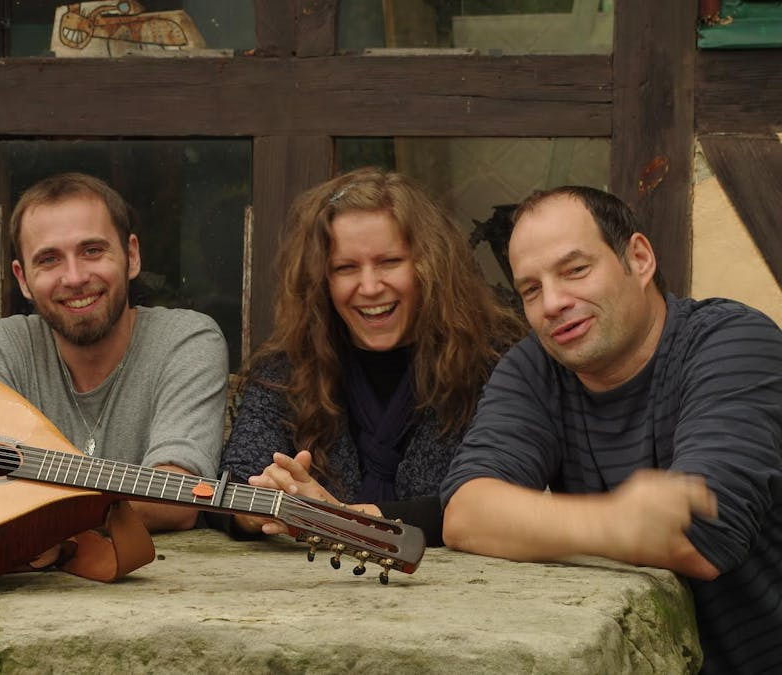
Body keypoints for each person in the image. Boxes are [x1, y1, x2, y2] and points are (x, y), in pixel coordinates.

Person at [440, 186, 781, 673]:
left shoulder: (734, 342)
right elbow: (466, 514)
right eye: (531, 290)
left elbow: (705, 539)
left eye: (575, 270)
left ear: (638, 259)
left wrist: (540, 523)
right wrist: (617, 520)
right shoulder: (533, 368)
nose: (553, 303)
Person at [220, 168, 525, 545]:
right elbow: (234, 482)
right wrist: (264, 506)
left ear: (430, 266)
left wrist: (342, 521)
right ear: (321, 280)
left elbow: (501, 499)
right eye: (345, 268)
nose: (369, 286)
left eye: (389, 262)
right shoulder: (286, 368)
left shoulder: (494, 362)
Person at [0, 172, 228, 533]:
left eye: (92, 251)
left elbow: (175, 500)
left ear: (131, 256)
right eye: (50, 259)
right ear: (22, 279)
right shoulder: (1, 349)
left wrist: (41, 504)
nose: (74, 277)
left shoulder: (185, 339)